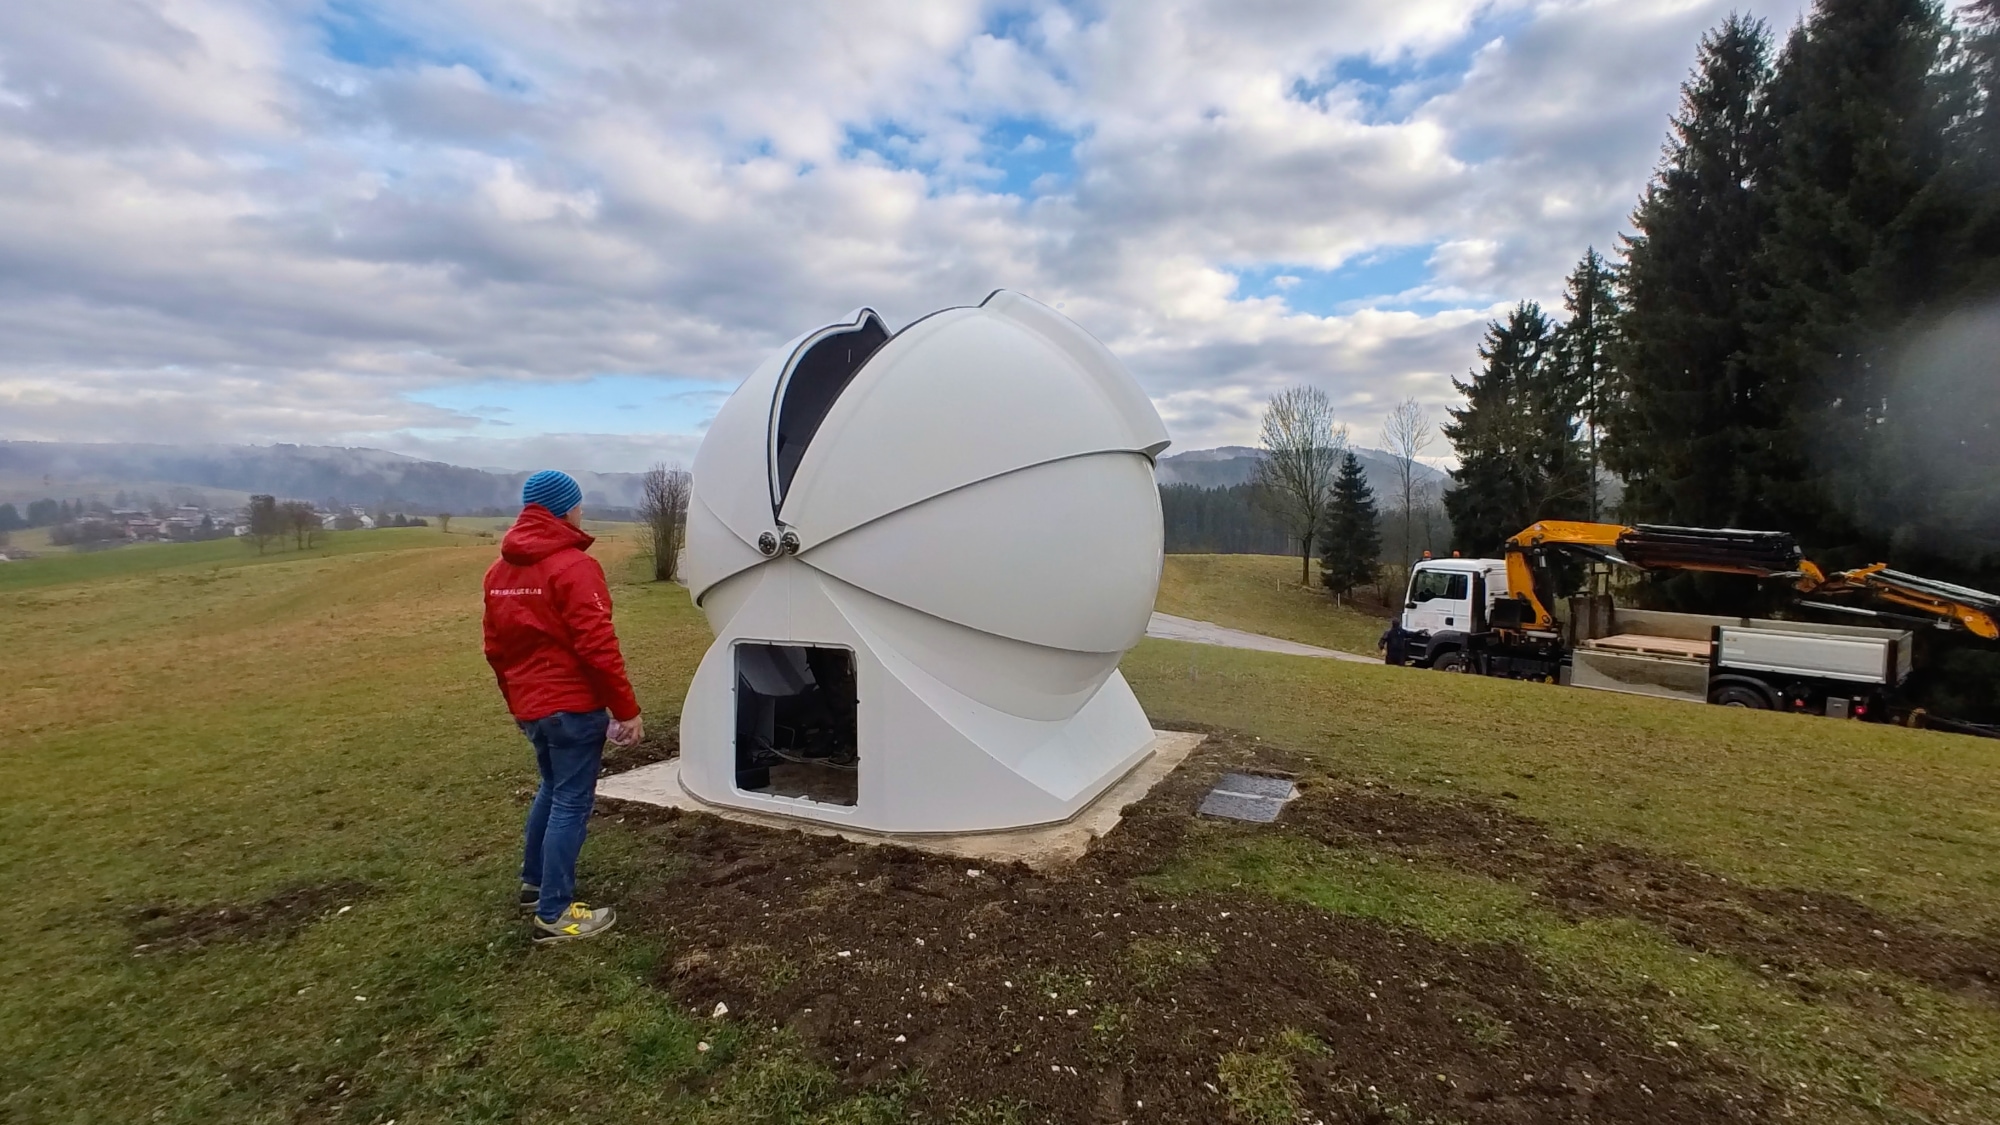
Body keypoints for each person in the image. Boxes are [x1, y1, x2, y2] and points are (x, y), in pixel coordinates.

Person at [482, 470, 642, 944]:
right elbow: (597, 645)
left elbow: (496, 649)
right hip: (571, 707)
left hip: (533, 706)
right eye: (578, 505)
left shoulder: (499, 572)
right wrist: (626, 709)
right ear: (564, 509)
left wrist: (517, 705)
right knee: (571, 800)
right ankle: (554, 913)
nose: (581, 512)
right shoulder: (573, 566)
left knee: (551, 789)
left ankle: (534, 885)